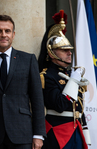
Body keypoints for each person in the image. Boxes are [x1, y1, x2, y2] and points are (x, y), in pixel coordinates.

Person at [0, 15, 46, 149]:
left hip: (22, 134)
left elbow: (37, 99)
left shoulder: (28, 60)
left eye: (7, 31)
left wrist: (39, 134)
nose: (3, 35)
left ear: (13, 34)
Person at [38, 10, 90, 149]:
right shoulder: (46, 76)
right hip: (57, 131)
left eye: (70, 49)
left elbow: (79, 106)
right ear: (52, 53)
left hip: (76, 129)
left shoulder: (70, 74)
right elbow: (60, 105)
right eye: (64, 50)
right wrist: (73, 82)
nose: (69, 53)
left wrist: (85, 130)